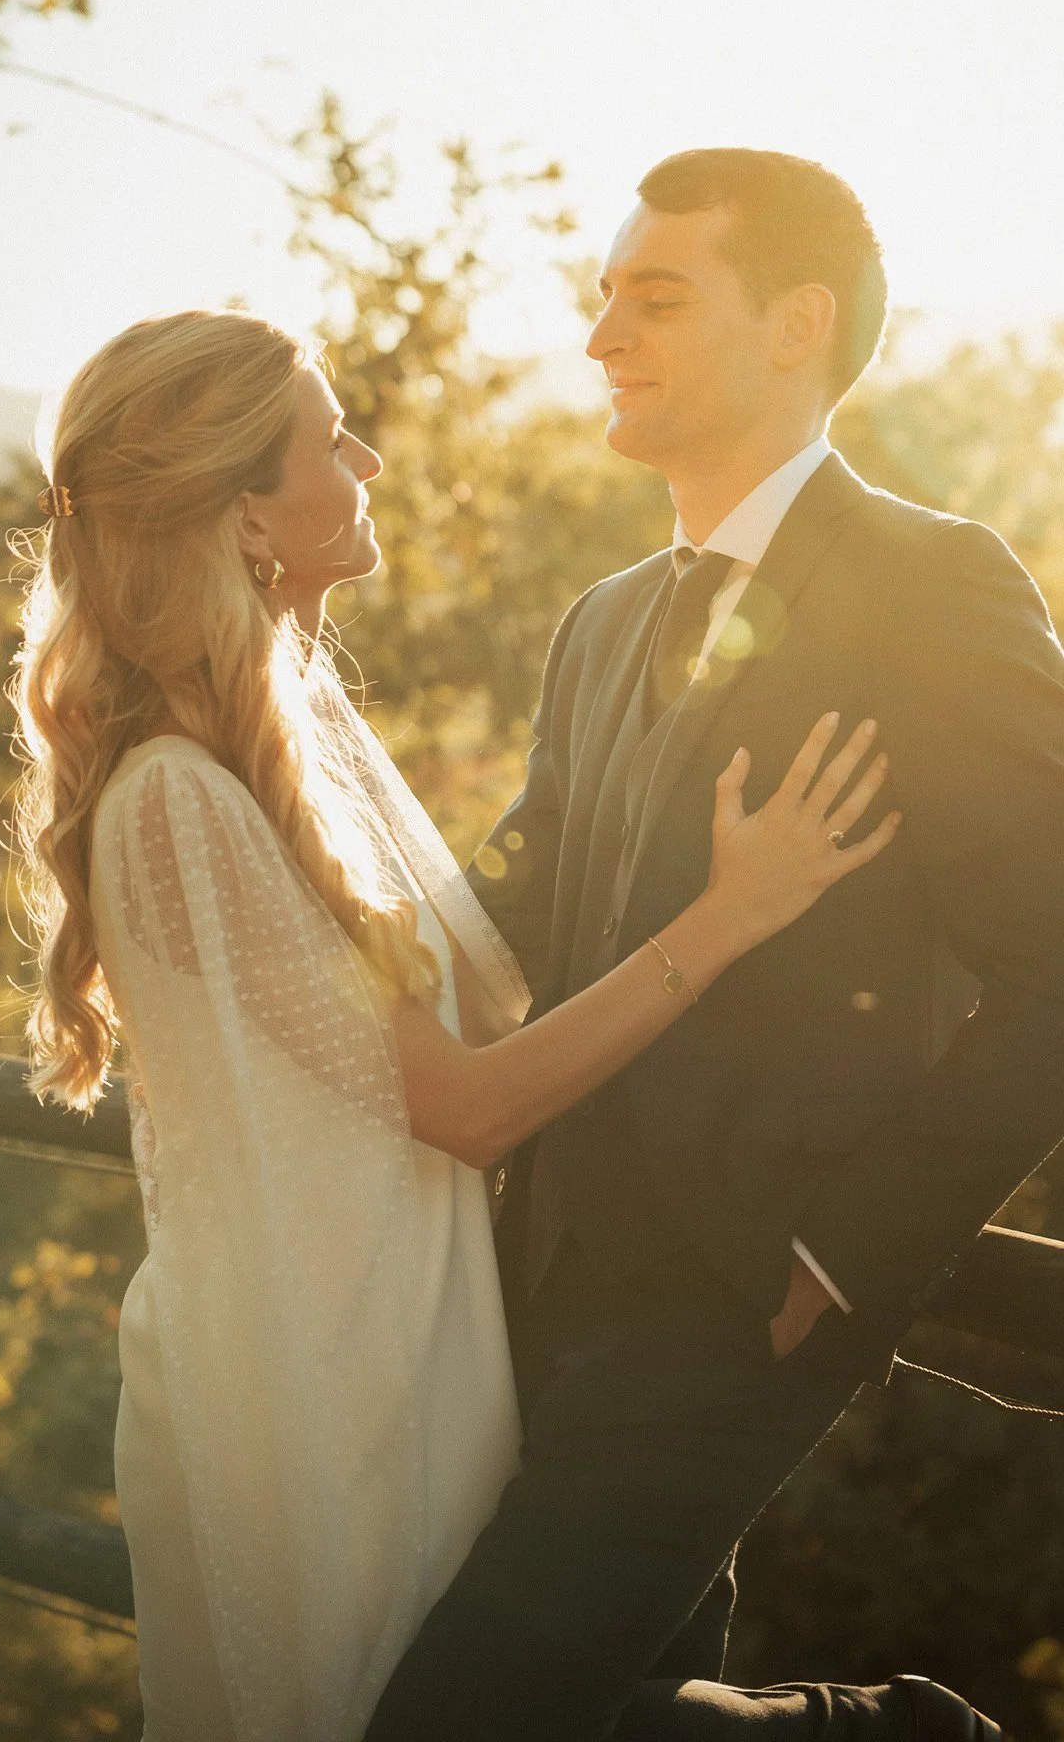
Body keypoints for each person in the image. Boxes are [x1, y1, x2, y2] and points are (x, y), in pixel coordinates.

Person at [13, 307, 899, 1742]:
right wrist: (733, 913)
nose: (366, 456)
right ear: (247, 509)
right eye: (327, 437)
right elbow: (472, 1102)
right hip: (318, 1389)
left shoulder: (280, 746)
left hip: (412, 1344)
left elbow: (503, 970)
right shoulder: (177, 798)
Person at [364, 150, 1064, 1742]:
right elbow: (508, 911)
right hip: (536, 1284)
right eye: (603, 295)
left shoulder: (933, 586)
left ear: (797, 325)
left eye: (657, 296)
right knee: (601, 1710)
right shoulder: (604, 618)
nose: (606, 332)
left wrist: (839, 1256)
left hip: (742, 1298)